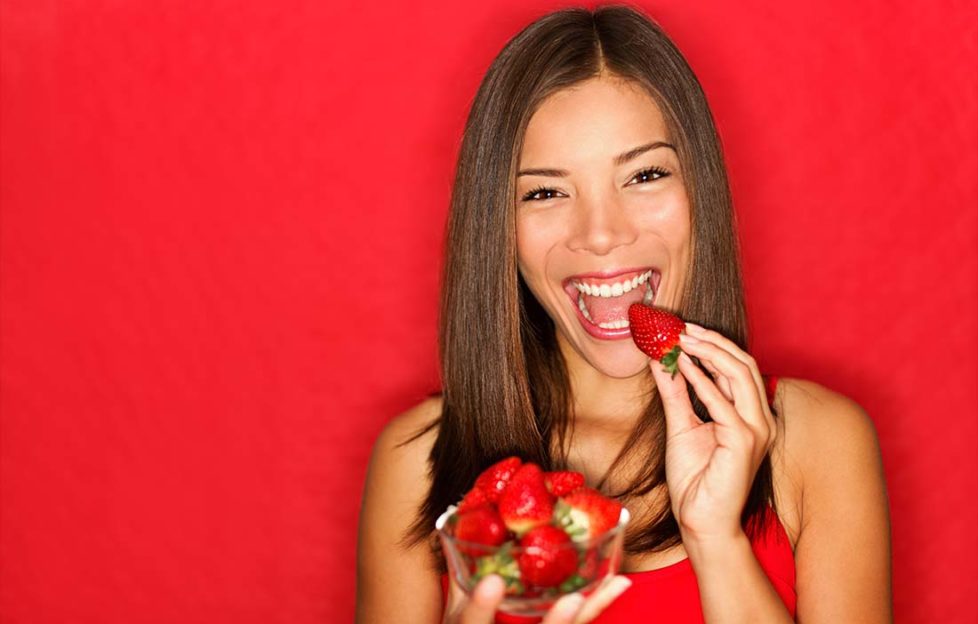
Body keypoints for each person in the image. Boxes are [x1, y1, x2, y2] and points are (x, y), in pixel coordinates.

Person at [356, 5, 892, 623]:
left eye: (644, 175)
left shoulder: (818, 441)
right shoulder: (416, 460)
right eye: (546, 191)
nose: (602, 234)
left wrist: (716, 539)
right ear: (497, 226)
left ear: (701, 191)